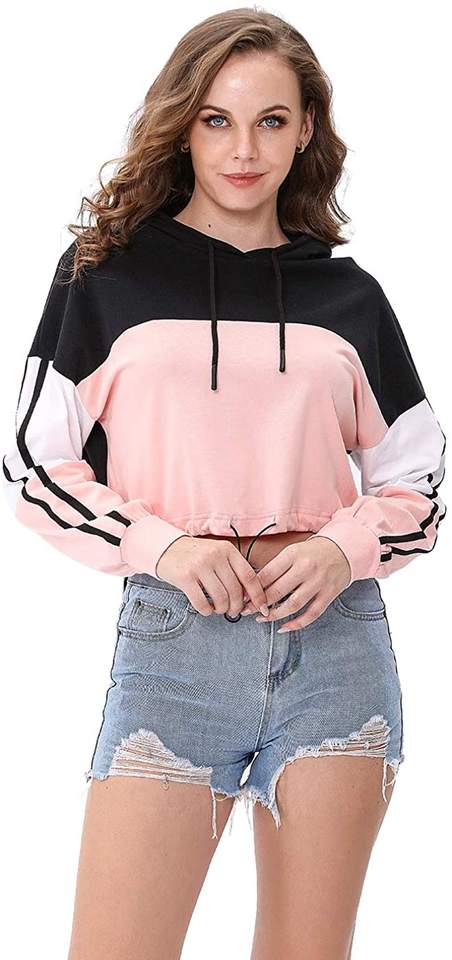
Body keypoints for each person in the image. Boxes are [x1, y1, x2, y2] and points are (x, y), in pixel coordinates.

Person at [2, 8, 447, 960]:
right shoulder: (104, 279)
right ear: (183, 125)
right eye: (217, 120)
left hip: (337, 651)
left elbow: (420, 478)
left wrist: (343, 548)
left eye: (271, 121)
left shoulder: (350, 297)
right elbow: (34, 462)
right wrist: (163, 546)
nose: (244, 150)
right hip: (176, 649)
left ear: (307, 129)